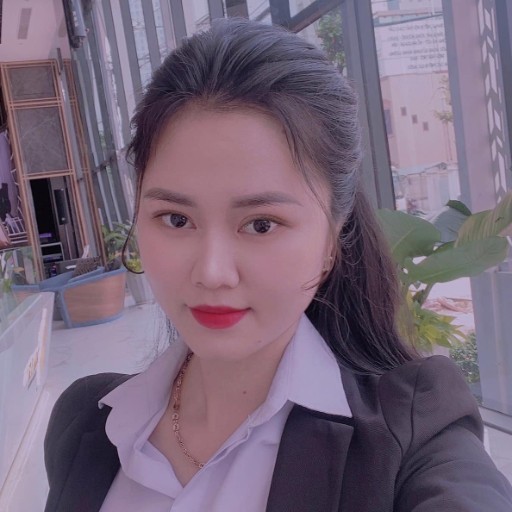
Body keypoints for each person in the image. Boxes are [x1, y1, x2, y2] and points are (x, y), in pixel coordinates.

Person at [44, 18, 512, 512]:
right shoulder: (87, 424)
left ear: (332, 239)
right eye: (176, 219)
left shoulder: (414, 435)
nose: (212, 273)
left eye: (261, 224)